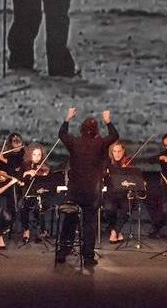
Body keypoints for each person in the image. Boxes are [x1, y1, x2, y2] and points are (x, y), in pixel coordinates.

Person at [56, 107, 119, 267]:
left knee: (69, 221)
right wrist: (108, 120)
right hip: (92, 192)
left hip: (75, 191)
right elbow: (114, 136)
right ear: (96, 130)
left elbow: (62, 134)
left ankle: (63, 253)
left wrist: (67, 118)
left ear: (82, 129)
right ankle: (88, 257)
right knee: (89, 224)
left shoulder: (75, 142)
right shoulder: (100, 143)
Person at [18, 142, 51, 244]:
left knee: (38, 207)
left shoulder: (44, 166)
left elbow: (50, 183)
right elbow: (19, 180)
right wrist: (26, 173)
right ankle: (26, 230)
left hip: (41, 195)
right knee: (23, 206)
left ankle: (39, 231)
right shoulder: (24, 166)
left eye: (39, 155)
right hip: (27, 194)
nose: (37, 157)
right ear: (30, 154)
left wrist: (45, 176)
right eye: (34, 154)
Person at [103, 142, 133, 244]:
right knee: (108, 209)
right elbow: (101, 175)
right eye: (114, 151)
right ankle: (117, 231)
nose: (117, 154)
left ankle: (114, 232)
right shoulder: (107, 162)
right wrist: (105, 173)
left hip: (125, 194)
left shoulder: (128, 162)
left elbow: (134, 180)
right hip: (111, 194)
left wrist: (127, 172)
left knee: (127, 207)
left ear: (123, 151)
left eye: (119, 151)